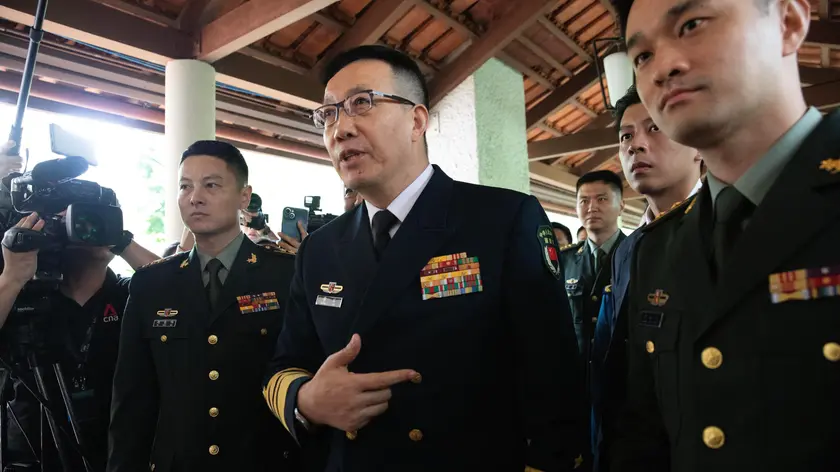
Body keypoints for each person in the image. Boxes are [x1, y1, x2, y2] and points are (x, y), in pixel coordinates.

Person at [263, 45, 585, 472]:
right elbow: (285, 365)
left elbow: (555, 379)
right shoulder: (321, 248)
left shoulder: (502, 219)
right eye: (328, 115)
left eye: (362, 103)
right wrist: (307, 399)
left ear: (416, 121)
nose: (340, 130)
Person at [609, 0, 840, 470]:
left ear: (789, 23)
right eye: (642, 56)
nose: (662, 68)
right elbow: (643, 436)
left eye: (691, 24)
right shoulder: (659, 248)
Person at [107, 141, 301, 472]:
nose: (194, 197)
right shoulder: (152, 284)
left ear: (244, 196)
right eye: (185, 186)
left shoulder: (288, 274)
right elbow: (131, 402)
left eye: (211, 185)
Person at [589, 84, 702, 472]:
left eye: (654, 128)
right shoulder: (628, 247)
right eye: (626, 136)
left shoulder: (724, 226)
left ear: (698, 145)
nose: (635, 145)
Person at [560, 171, 626, 357]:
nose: (592, 207)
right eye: (584, 201)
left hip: (623, 369)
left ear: (621, 206)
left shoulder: (638, 252)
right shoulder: (565, 259)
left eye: (602, 199)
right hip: (577, 370)